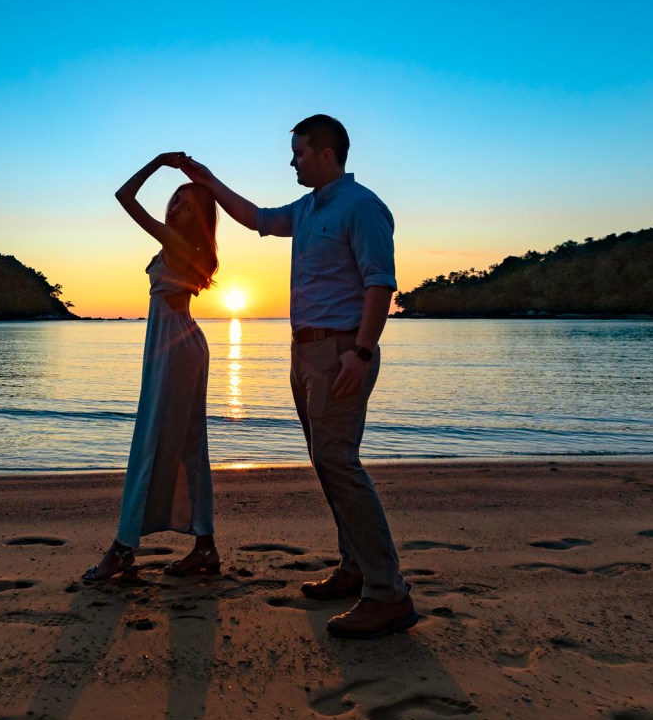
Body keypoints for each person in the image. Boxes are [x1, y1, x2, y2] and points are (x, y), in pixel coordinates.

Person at [180, 115, 416, 638]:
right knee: (326, 463)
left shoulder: (363, 207)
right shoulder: (308, 209)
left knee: (339, 462)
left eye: (299, 153)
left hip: (341, 350)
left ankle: (389, 594)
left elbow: (380, 285)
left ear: (327, 154)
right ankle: (355, 568)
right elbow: (255, 217)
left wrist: (361, 352)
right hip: (304, 351)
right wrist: (207, 180)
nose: (292, 162)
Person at [83, 151, 222, 582]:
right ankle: (204, 547)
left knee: (151, 443)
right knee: (187, 443)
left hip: (175, 348)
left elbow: (125, 196)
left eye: (187, 205)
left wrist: (159, 162)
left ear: (200, 219)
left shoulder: (178, 244)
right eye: (175, 199)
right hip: (178, 345)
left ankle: (122, 550)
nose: (176, 206)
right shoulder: (182, 246)